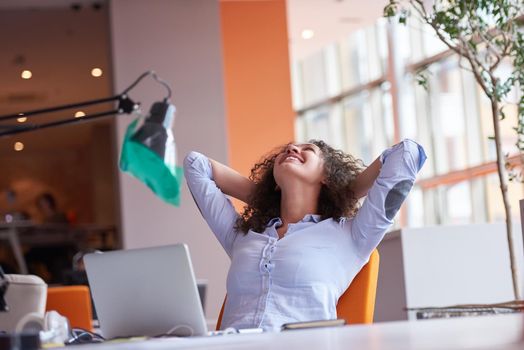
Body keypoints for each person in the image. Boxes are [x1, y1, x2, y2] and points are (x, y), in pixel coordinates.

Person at [184, 139, 426, 332]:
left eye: (307, 150)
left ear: (327, 176)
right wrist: (265, 197)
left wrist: (345, 191)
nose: (291, 149)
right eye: (289, 149)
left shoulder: (352, 235)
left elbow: (407, 153)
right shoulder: (243, 236)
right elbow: (195, 164)